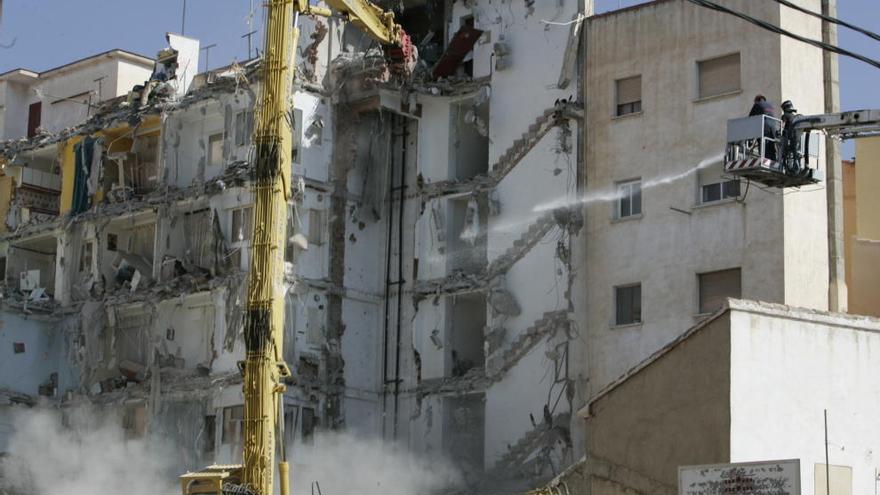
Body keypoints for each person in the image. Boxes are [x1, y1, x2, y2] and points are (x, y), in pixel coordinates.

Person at [749, 95, 778, 161]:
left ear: (757, 100)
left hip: (764, 127)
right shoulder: (770, 106)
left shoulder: (757, 104)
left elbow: (750, 117)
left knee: (762, 143)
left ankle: (764, 159)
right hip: (773, 128)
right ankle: (773, 159)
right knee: (770, 144)